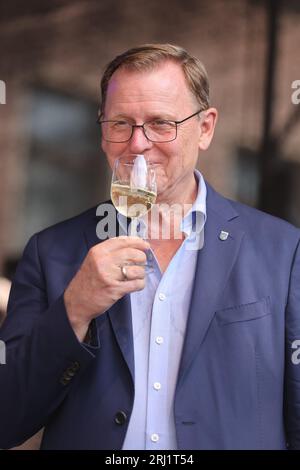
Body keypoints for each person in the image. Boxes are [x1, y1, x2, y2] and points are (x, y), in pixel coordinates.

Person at [0, 43, 300, 451]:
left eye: (161, 123)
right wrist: (74, 310)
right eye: (120, 123)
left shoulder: (283, 251)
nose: (137, 144)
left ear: (206, 128)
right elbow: (7, 417)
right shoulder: (50, 252)